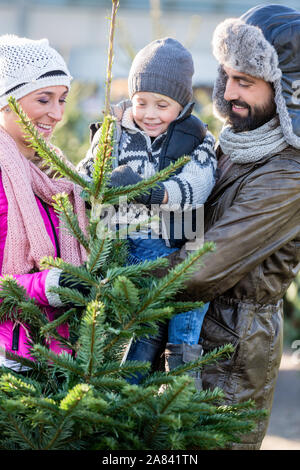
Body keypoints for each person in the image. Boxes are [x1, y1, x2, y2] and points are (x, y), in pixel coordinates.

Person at [165, 4, 300, 449]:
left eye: (247, 81)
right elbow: (189, 219)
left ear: (285, 90)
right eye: (227, 76)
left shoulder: (288, 173)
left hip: (232, 352)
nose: (231, 91)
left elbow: (204, 266)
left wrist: (114, 283)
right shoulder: (234, 145)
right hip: (190, 332)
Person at [77, 37, 217, 387]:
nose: (150, 114)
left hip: (179, 244)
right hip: (125, 246)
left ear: (183, 104)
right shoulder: (114, 134)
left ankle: (183, 378)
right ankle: (129, 384)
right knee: (142, 323)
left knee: (190, 303)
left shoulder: (197, 138)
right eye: (142, 102)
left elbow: (199, 186)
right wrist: (102, 181)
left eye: (162, 104)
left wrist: (148, 190)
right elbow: (84, 177)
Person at [0, 35, 88, 372]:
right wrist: (50, 285)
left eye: (63, 100)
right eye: (43, 99)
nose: (57, 113)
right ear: (7, 101)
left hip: (57, 359)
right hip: (8, 359)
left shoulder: (58, 176)